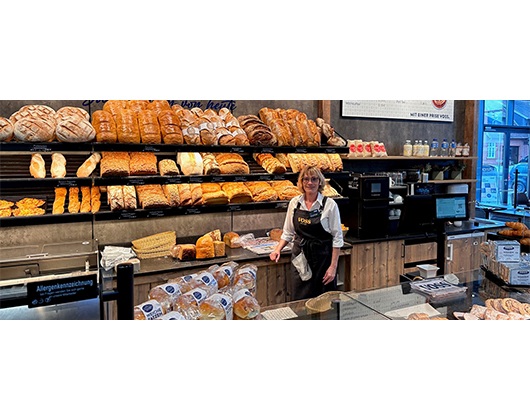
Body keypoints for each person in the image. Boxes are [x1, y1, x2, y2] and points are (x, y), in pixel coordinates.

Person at [269, 165, 344, 301]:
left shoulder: (329, 205)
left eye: (314, 179)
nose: (310, 183)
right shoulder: (295, 203)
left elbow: (337, 238)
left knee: (324, 301)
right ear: (301, 182)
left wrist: (333, 267)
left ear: (320, 182)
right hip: (300, 258)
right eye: (306, 179)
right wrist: (277, 250)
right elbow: (288, 232)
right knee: (300, 299)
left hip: (323, 259)